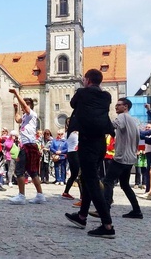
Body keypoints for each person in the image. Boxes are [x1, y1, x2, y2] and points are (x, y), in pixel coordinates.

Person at [64, 69, 115, 238]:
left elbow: (72, 104)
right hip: (101, 143)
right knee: (87, 178)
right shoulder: (106, 97)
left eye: (84, 79)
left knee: (92, 182)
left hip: (87, 142)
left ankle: (107, 225)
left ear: (87, 80)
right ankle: (81, 216)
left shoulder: (81, 93)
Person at [99, 98, 142, 219]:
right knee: (125, 184)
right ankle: (137, 210)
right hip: (130, 157)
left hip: (121, 157)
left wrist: (103, 115)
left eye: (119, 105)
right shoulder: (133, 121)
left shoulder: (122, 117)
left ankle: (105, 210)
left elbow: (111, 126)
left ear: (126, 107)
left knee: (108, 181)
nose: (116, 107)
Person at [8, 88, 46, 205]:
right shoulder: (25, 117)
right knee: (32, 171)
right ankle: (40, 195)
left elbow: (24, 106)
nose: (25, 106)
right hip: (29, 145)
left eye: (28, 104)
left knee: (19, 170)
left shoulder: (31, 114)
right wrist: (15, 109)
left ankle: (21, 196)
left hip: (28, 146)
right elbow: (18, 119)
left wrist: (16, 94)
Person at [63, 118, 80, 200]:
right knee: (79, 175)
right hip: (75, 153)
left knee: (74, 175)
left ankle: (66, 192)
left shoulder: (67, 133)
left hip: (70, 153)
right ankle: (82, 195)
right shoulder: (73, 133)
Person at [138, 123, 151, 200]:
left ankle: (150, 189)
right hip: (145, 153)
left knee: (150, 172)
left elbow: (149, 141)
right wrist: (141, 150)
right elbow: (141, 143)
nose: (147, 128)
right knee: (145, 171)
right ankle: (147, 189)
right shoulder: (144, 135)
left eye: (149, 127)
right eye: (146, 127)